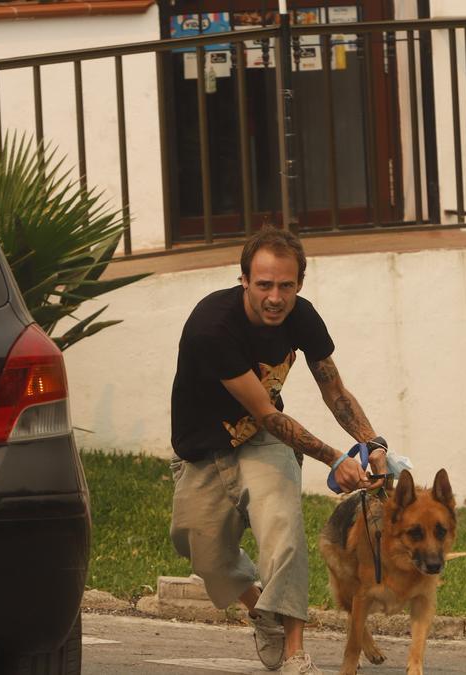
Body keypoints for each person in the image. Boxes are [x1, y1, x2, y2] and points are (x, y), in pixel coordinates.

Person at [169, 226, 412, 673]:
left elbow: (334, 391)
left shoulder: (302, 316)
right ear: (244, 280)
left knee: (283, 531)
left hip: (264, 443)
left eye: (286, 285)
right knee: (204, 553)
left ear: (299, 283)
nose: (275, 297)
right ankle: (263, 613)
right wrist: (335, 459)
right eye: (264, 285)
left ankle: (296, 654)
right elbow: (264, 411)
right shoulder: (212, 327)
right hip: (204, 449)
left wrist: (372, 443)